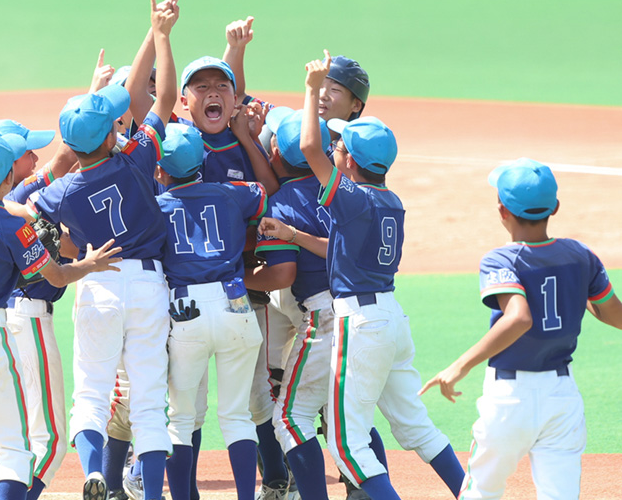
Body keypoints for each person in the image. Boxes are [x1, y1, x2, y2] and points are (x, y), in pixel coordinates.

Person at [28, 0, 183, 500]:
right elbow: (161, 100)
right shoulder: (137, 156)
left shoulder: (64, 189)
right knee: (147, 402)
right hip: (149, 287)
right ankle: (153, 494)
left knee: (91, 394)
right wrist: (161, 35)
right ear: (112, 133)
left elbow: (20, 207)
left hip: (97, 281)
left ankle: (95, 472)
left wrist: (62, 249)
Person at [298, 53, 465, 500]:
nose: (334, 150)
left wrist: (312, 88)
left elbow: (311, 150)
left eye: (341, 148)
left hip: (362, 323)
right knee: (416, 427)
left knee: (346, 444)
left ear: (349, 162)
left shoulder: (352, 199)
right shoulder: (391, 201)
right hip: (392, 318)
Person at [0, 132, 122, 500]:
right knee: (18, 450)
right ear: (7, 176)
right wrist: (89, 263)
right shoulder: (11, 226)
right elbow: (58, 275)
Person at [420, 158, 622, 499]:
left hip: (509, 399)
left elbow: (519, 317)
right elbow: (612, 313)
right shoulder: (581, 255)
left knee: (481, 491)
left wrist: (459, 366)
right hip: (562, 397)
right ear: (555, 207)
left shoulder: (501, 260)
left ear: (502, 210)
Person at [248, 106, 384, 500]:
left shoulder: (283, 200)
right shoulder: (346, 191)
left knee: (288, 414)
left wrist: (235, 278)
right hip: (368, 310)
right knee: (351, 412)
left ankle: (285, 485)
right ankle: (362, 490)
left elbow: (282, 275)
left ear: (275, 154)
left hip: (319, 313)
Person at [155, 123, 267, 500]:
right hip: (235, 305)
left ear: (161, 170)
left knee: (181, 418)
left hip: (185, 312)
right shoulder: (230, 194)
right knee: (237, 416)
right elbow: (262, 193)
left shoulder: (158, 207)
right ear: (202, 161)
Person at [0, 117, 78, 500]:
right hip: (28, 319)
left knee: (7, 439)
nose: (37, 158)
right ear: (7, 164)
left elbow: (61, 164)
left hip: (4, 320)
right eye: (28, 153)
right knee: (49, 440)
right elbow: (64, 160)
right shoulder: (15, 202)